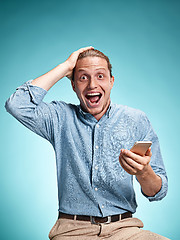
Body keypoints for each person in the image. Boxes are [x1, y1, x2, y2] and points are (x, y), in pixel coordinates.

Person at [5, 47, 169, 240]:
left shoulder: (136, 120)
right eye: (83, 77)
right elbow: (17, 105)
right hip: (72, 231)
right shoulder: (59, 117)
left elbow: (157, 193)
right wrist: (65, 67)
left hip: (125, 230)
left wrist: (143, 172)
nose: (92, 85)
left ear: (111, 81)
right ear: (73, 85)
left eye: (100, 76)